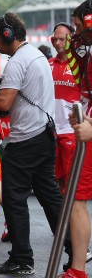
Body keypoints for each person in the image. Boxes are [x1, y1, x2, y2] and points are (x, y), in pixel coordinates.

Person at [0, 13, 65, 275]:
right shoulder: (36, 56)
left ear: (7, 34)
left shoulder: (17, 62)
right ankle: (76, 248)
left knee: (15, 199)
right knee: (50, 198)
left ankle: (21, 258)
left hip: (26, 140)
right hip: (45, 135)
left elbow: (4, 103)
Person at [62, 0, 92, 278]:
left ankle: (79, 272)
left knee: (78, 201)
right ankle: (78, 271)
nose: (74, 31)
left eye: (78, 24)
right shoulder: (84, 51)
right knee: (77, 200)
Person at [49, 22, 80, 195]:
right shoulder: (47, 65)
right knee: (57, 180)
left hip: (71, 131)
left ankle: (73, 218)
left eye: (63, 39)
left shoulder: (80, 66)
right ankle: (64, 220)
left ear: (71, 40)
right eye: (56, 39)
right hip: (52, 131)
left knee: (72, 182)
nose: (59, 43)